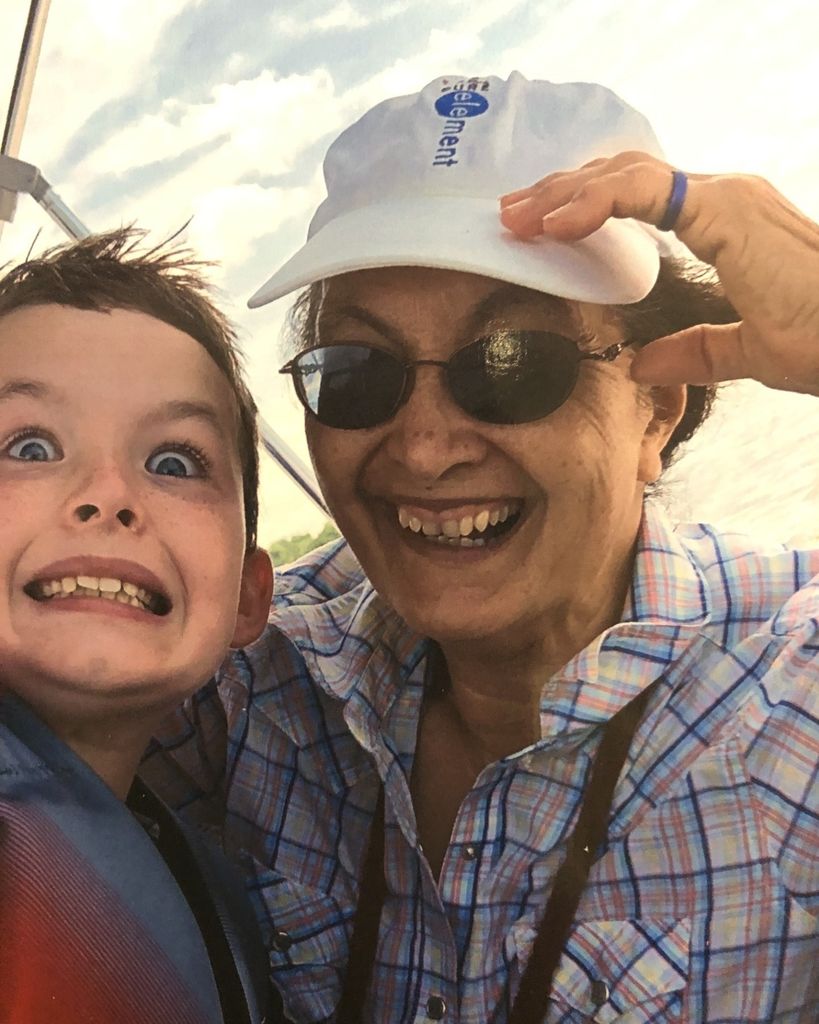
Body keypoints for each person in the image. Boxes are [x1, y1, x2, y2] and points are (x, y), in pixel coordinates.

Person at [143, 74, 819, 1023]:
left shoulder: (788, 703)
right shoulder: (258, 679)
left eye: (513, 364)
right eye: (357, 373)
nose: (424, 448)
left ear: (655, 411)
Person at [0, 229, 285, 1024]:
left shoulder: (197, 874)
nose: (107, 495)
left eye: (174, 463)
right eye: (29, 446)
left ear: (247, 596)